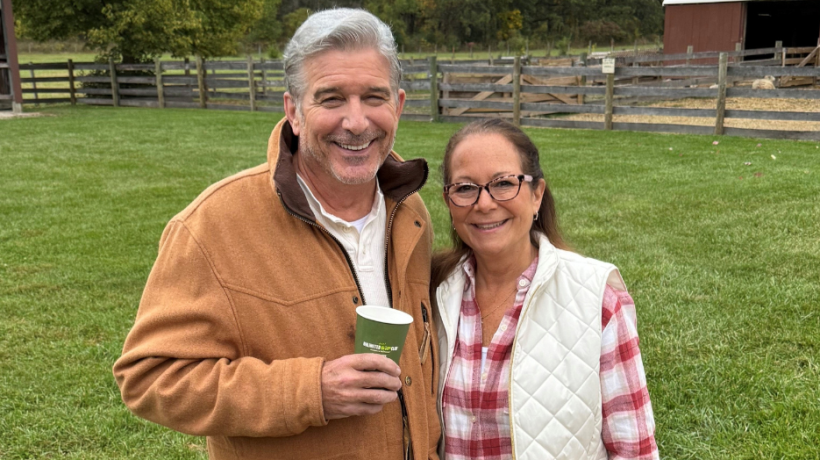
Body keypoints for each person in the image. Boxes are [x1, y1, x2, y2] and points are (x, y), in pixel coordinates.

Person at [113, 8, 440, 460]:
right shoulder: (214, 226)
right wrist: (310, 391)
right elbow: (150, 377)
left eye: (373, 97)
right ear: (294, 112)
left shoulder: (410, 212)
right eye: (330, 99)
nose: (357, 121)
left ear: (399, 105)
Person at [431, 119, 658, 460]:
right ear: (448, 201)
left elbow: (634, 449)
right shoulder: (432, 294)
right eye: (465, 188)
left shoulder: (598, 298)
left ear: (537, 194)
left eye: (503, 183)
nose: (484, 203)